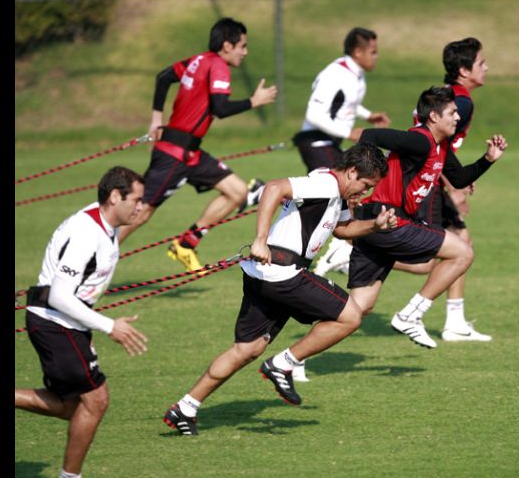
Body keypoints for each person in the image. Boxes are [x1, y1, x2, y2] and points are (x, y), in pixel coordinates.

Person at [162, 143, 396, 436]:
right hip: (283, 274)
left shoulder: (336, 192)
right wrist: (260, 239)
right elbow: (273, 188)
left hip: (265, 274)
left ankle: (185, 407)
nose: (366, 192)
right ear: (351, 171)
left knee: (247, 349)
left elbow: (344, 231)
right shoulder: (324, 183)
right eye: (365, 184)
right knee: (351, 316)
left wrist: (375, 225)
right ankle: (283, 364)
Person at [347, 86, 507, 350]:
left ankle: (290, 360)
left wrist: (488, 159)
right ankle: (410, 314)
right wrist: (354, 180)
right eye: (453, 113)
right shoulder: (419, 140)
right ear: (434, 116)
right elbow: (370, 135)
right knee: (462, 252)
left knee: (356, 310)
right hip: (388, 221)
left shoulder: (440, 146)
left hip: (377, 223)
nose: (458, 118)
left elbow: (458, 179)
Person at [15, 166, 149, 478]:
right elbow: (60, 296)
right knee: (96, 400)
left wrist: (87, 326)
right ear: (115, 196)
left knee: (74, 407)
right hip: (53, 320)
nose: (141, 207)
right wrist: (109, 326)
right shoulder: (86, 234)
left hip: (66, 321)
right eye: (137, 200)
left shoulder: (104, 223)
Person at [117, 17, 277, 272]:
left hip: (190, 153)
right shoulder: (218, 66)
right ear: (227, 45)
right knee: (140, 213)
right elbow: (221, 108)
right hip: (173, 154)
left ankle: (185, 245)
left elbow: (163, 77)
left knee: (238, 192)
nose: (245, 52)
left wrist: (156, 120)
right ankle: (96, 258)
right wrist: (253, 102)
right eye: (242, 46)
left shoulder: (198, 60)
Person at [393, 37, 492, 343]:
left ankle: (455, 322)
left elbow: (441, 145)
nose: (486, 67)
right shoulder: (460, 102)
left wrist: (457, 176)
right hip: (427, 182)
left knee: (462, 242)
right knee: (425, 261)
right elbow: (434, 142)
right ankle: (355, 247)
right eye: (481, 63)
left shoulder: (448, 96)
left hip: (434, 177)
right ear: (464, 70)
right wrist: (454, 185)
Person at [292, 27, 391, 279]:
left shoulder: (355, 75)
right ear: (357, 52)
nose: (376, 56)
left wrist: (368, 115)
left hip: (330, 143)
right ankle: (331, 251)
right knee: (340, 193)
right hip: (315, 141)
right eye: (373, 52)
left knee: (341, 196)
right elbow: (314, 115)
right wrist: (349, 132)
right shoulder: (336, 74)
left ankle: (339, 250)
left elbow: (348, 101)